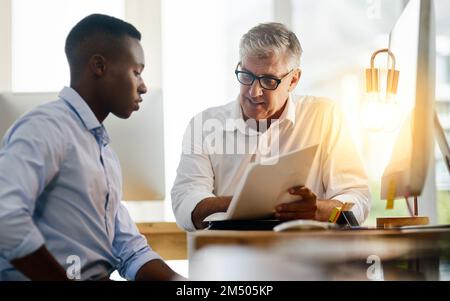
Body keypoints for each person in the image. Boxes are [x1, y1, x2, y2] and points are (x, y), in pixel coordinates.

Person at [0, 14, 181, 281]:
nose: (143, 87)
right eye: (137, 72)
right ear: (99, 66)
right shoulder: (46, 127)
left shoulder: (102, 151)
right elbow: (6, 216)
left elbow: (130, 251)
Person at [172, 23, 371, 231]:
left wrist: (320, 210)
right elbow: (186, 203)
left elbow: (358, 197)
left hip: (306, 257)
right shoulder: (204, 125)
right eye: (247, 76)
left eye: (268, 80)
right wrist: (250, 204)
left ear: (293, 80)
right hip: (230, 255)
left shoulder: (325, 117)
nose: (254, 92)